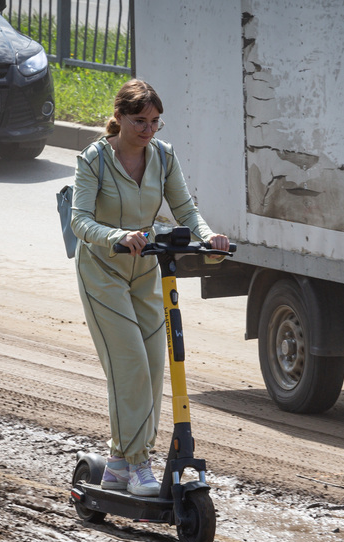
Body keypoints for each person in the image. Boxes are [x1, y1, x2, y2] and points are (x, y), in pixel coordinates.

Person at [69, 79, 230, 497]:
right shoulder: (94, 159)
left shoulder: (163, 155)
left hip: (146, 269)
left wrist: (209, 237)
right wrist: (116, 236)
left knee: (155, 366)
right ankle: (140, 463)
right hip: (102, 271)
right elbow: (79, 220)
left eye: (155, 121)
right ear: (119, 117)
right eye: (140, 121)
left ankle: (118, 464)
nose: (148, 130)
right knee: (131, 368)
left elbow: (186, 210)